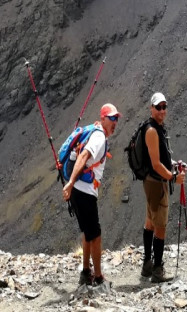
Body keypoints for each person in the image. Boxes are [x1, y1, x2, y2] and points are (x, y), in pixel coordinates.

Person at [62, 103, 121, 286]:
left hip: (78, 190)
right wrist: (71, 182)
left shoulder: (95, 131)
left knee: (88, 232)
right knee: (95, 234)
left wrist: (71, 184)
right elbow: (83, 156)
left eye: (116, 118)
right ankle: (99, 277)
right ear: (103, 118)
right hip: (84, 191)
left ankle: (86, 272)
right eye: (112, 118)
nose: (115, 122)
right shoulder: (99, 137)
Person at [141, 92, 186, 283]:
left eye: (164, 107)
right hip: (157, 183)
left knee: (150, 222)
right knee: (160, 225)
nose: (162, 110)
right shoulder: (152, 131)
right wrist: (173, 177)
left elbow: (161, 159)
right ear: (151, 108)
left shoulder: (154, 128)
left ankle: (147, 265)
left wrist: (174, 165)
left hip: (152, 182)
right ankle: (157, 271)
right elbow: (156, 164)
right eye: (158, 107)